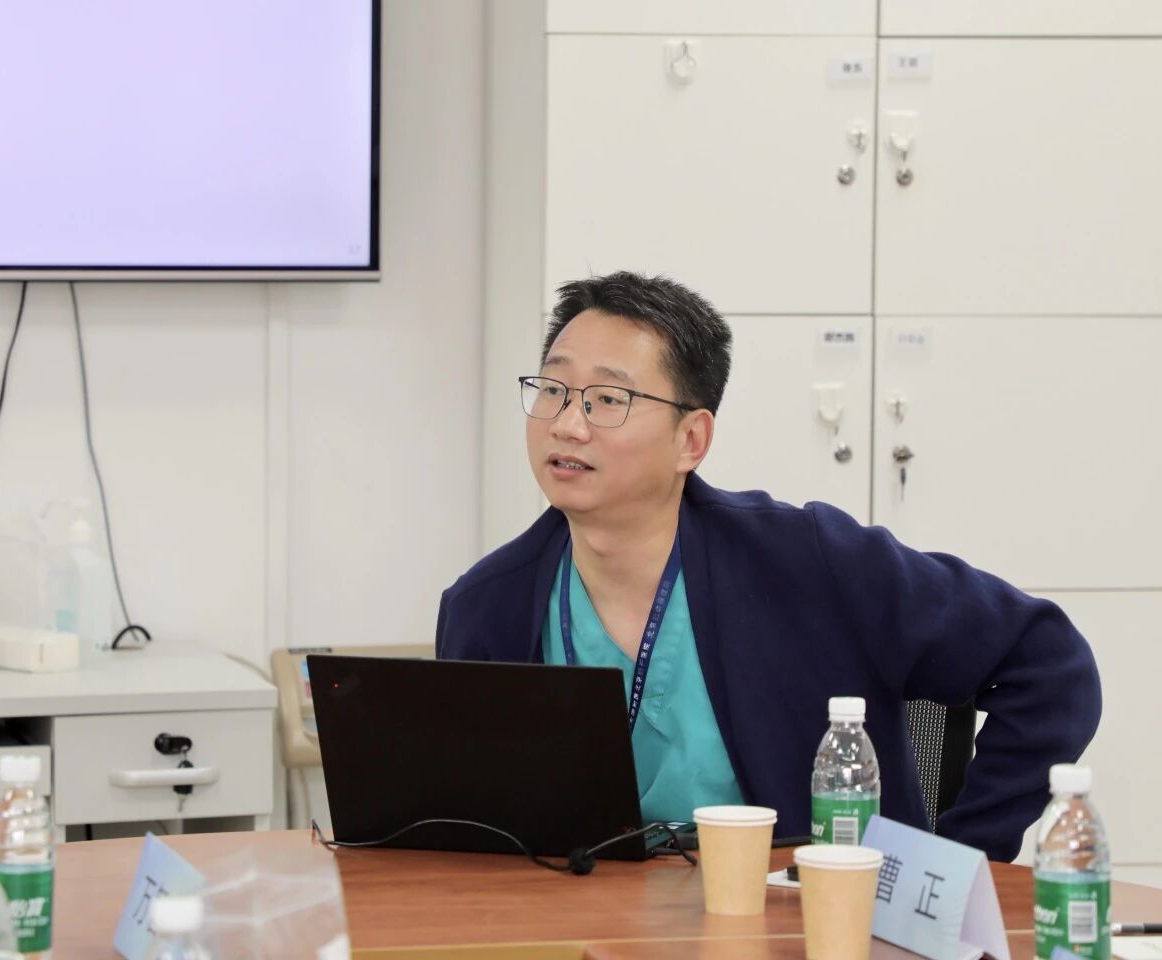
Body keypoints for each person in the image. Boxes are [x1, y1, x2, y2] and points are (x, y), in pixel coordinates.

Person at [436, 271, 1101, 861]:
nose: (566, 424)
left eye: (607, 399)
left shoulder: (811, 562)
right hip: (580, 932)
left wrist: (962, 859)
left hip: (807, 926)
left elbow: (1050, 664)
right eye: (553, 389)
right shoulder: (486, 607)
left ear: (690, 439)